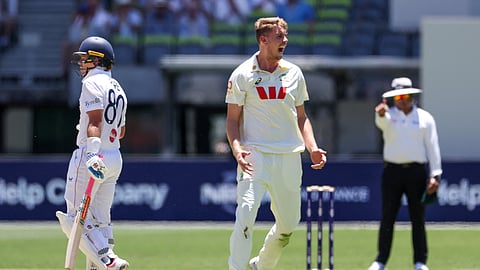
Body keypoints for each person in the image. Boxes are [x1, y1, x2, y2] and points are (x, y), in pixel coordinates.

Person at [225, 17, 328, 270]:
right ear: (263, 40)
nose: (285, 40)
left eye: (285, 35)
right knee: (246, 214)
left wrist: (312, 147)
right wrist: (237, 150)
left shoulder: (294, 73)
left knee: (288, 225)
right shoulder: (242, 75)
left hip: (289, 156)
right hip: (255, 155)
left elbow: (301, 117)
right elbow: (232, 120)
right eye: (279, 36)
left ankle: (262, 264)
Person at [56, 36, 129, 270]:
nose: (80, 63)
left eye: (85, 58)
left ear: (98, 60)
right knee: (100, 220)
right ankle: (101, 262)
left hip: (93, 155)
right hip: (115, 156)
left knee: (72, 219)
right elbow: (122, 131)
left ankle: (108, 260)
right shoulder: (118, 87)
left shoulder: (91, 84)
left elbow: (95, 121)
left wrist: (92, 154)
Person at [369, 77, 442, 270]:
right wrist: (381, 114)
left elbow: (433, 148)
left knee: (418, 218)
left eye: (405, 95)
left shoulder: (425, 118)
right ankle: (380, 261)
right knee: (388, 217)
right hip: (392, 171)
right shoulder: (387, 115)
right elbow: (381, 122)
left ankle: (420, 262)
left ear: (411, 95)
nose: (402, 99)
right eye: (398, 96)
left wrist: (435, 175)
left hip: (416, 173)